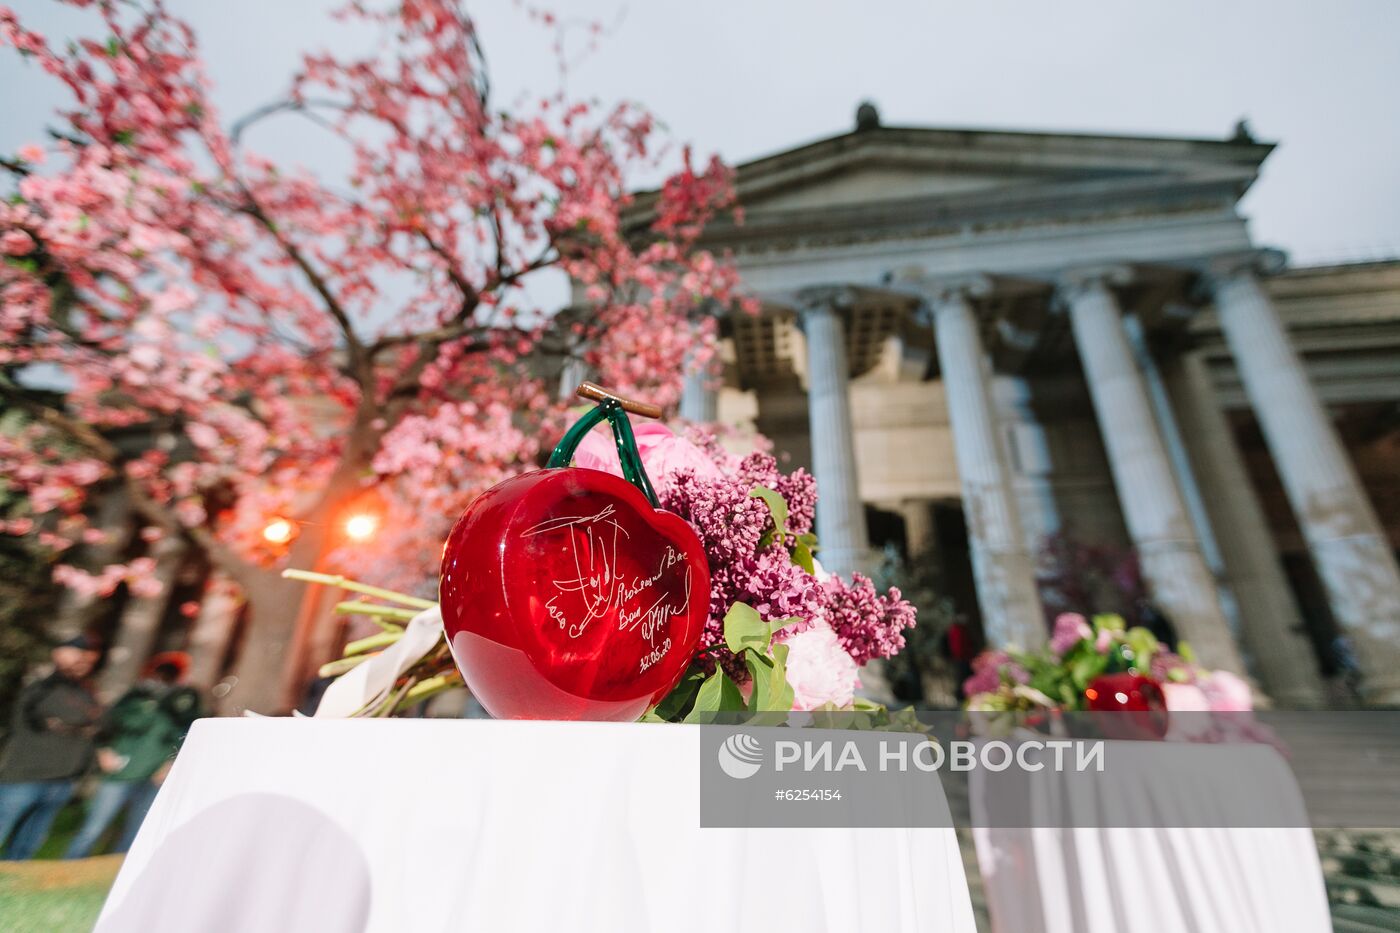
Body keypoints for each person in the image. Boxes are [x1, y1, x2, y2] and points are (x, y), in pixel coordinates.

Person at [64, 652, 204, 858]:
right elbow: (107, 724)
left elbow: (189, 731)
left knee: (136, 832)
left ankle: (114, 876)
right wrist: (104, 750)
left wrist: (171, 763)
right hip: (123, 769)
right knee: (94, 827)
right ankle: (70, 866)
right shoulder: (136, 696)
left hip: (155, 774)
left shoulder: (185, 699)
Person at [0, 634, 103, 860]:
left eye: (87, 658)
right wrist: (79, 726)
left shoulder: (87, 693)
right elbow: (36, 715)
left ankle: (12, 882)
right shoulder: (43, 686)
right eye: (78, 655)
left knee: (27, 845)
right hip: (25, 776)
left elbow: (101, 725)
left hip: (62, 780)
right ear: (59, 654)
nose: (83, 662)